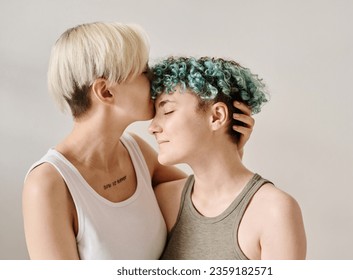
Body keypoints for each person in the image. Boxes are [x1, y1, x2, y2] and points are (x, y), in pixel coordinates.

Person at [22, 23, 254, 260]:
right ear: (106, 92)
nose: (154, 79)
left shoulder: (137, 153)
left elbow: (209, 205)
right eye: (144, 71)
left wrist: (228, 146)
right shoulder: (47, 185)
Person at [148, 56, 307, 260]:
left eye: (167, 111)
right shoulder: (162, 200)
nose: (152, 127)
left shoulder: (274, 210)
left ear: (216, 117)